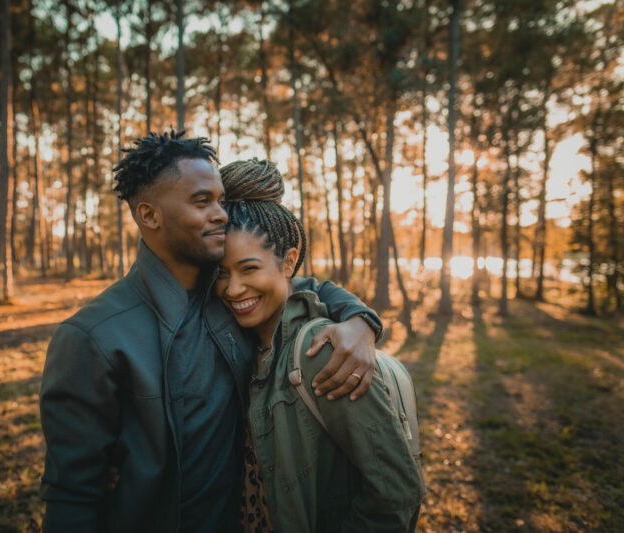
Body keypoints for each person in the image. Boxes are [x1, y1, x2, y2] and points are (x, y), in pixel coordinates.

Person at [39, 131, 384, 532]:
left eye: (221, 200)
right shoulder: (91, 338)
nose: (221, 213)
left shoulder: (231, 296)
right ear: (149, 215)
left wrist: (361, 321)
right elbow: (72, 499)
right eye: (202, 202)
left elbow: (302, 286)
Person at [216, 159, 425, 533]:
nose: (233, 289)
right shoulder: (241, 342)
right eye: (222, 274)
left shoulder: (323, 354)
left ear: (289, 262)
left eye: (249, 269)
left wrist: (361, 320)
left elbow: (396, 494)